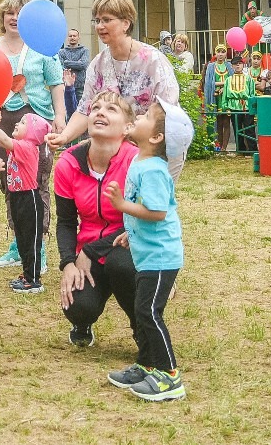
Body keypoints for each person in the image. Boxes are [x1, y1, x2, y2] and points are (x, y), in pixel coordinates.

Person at [100, 99, 185, 402]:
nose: (139, 115)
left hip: (161, 256)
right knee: (142, 309)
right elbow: (144, 211)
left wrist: (122, 206)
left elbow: (158, 211)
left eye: (147, 116)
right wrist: (129, 231)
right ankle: (148, 364)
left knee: (149, 312)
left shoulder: (153, 171)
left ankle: (170, 375)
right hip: (146, 253)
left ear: (156, 137)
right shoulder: (140, 159)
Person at [55, 92, 140, 350]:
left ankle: (142, 327)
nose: (100, 112)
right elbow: (66, 222)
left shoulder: (137, 162)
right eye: (95, 108)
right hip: (87, 250)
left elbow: (139, 222)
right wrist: (68, 262)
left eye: (111, 109)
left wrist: (90, 252)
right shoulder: (68, 163)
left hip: (130, 244)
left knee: (121, 265)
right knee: (78, 306)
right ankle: (82, 324)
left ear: (128, 127)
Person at [0, 0, 65, 270]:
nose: (14, 18)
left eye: (20, 14)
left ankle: (38, 247)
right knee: (10, 182)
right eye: (9, 13)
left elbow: (56, 83)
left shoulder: (42, 47)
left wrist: (60, 116)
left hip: (35, 121)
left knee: (37, 183)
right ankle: (19, 246)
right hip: (1, 120)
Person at [49, 0, 178, 150]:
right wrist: (64, 136)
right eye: (97, 21)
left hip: (154, 147)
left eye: (107, 20)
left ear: (125, 23)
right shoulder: (98, 64)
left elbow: (166, 112)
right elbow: (84, 110)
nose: (100, 26)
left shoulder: (154, 61)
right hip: (115, 150)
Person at [0, 112, 52, 295]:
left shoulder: (27, 146)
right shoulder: (18, 146)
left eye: (23, 122)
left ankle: (34, 281)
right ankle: (27, 274)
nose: (17, 122)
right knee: (23, 240)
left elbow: (4, 140)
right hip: (17, 198)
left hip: (29, 199)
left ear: (32, 133)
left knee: (31, 242)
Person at [60, 29, 89, 115]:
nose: (72, 38)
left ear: (78, 37)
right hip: (67, 87)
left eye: (74, 36)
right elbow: (61, 67)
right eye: (70, 36)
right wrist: (77, 64)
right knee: (68, 111)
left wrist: (67, 62)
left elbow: (83, 65)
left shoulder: (84, 50)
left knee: (82, 111)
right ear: (67, 38)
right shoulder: (62, 52)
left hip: (81, 86)